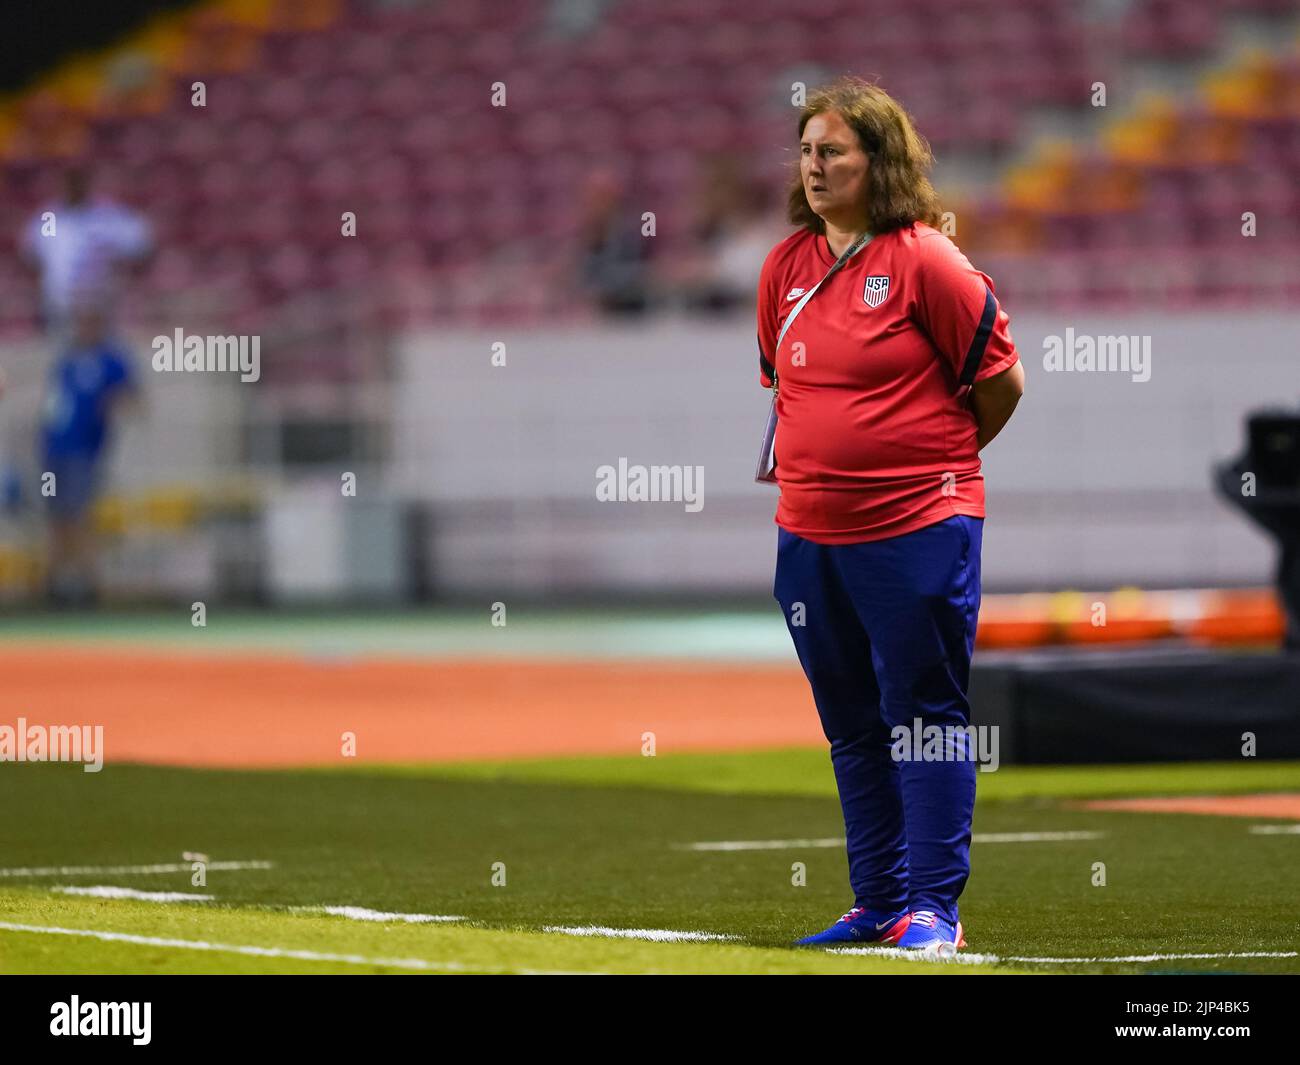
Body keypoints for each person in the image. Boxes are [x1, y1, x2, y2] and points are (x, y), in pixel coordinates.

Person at [757, 78, 1024, 953]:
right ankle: (877, 902)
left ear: (882, 159)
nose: (815, 164)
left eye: (833, 149)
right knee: (852, 722)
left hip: (916, 527)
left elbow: (1000, 385)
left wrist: (931, 465)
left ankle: (936, 911)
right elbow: (784, 388)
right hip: (808, 537)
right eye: (807, 150)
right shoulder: (785, 268)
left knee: (924, 715)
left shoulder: (929, 261)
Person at [38, 298, 142, 606]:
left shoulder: (112, 359)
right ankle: (55, 584)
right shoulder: (68, 359)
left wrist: (112, 403)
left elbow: (133, 397)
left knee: (80, 516)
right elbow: (55, 402)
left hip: (83, 452)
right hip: (54, 449)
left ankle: (91, 586)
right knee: (58, 517)